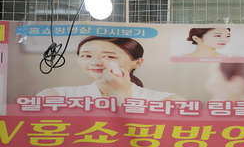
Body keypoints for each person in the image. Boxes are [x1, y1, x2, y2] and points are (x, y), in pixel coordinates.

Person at [37, 36, 185, 103]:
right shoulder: (53, 96)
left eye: (109, 57)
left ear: (137, 62)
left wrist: (121, 93)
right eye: (86, 56)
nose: (96, 62)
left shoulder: (169, 102)